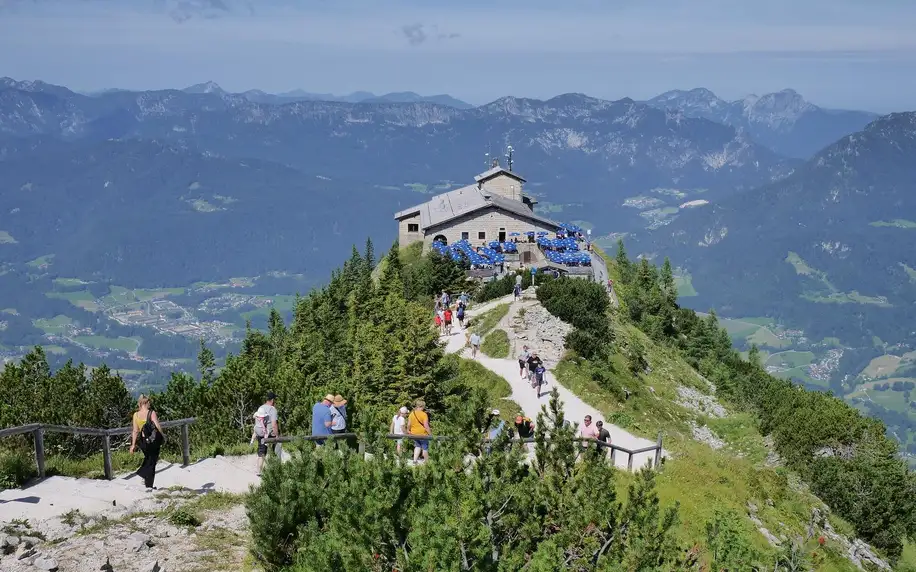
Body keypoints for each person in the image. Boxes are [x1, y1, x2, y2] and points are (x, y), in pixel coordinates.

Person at [130, 395, 165, 490]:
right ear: (146, 402)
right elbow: (157, 425)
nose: (150, 404)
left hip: (143, 441)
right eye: (149, 402)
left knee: (148, 459)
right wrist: (162, 435)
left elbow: (135, 430)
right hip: (153, 441)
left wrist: (133, 445)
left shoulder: (135, 415)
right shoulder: (151, 413)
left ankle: (147, 483)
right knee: (152, 462)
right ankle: (144, 476)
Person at [251, 392, 280, 476]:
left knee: (261, 452)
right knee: (275, 451)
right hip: (270, 434)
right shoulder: (272, 409)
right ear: (273, 400)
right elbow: (274, 424)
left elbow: (257, 423)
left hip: (260, 433)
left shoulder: (260, 408)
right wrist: (277, 435)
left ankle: (259, 471)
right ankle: (275, 470)